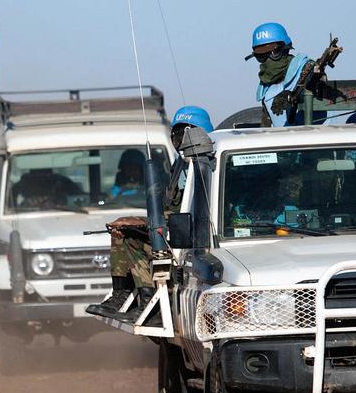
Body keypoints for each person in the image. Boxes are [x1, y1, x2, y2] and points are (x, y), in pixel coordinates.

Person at [86, 106, 214, 322]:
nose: (180, 140)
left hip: (194, 240)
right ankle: (122, 296)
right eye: (177, 133)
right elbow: (172, 209)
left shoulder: (207, 166)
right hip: (176, 233)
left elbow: (194, 214)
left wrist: (141, 221)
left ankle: (151, 306)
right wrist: (139, 223)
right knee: (122, 233)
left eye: (186, 133)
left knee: (132, 238)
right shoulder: (181, 167)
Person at [244, 22, 314, 127]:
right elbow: (266, 125)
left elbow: (317, 83)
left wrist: (292, 95)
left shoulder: (306, 68)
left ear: (284, 49)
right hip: (283, 136)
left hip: (322, 135)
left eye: (273, 53)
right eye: (261, 56)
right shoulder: (266, 87)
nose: (267, 60)